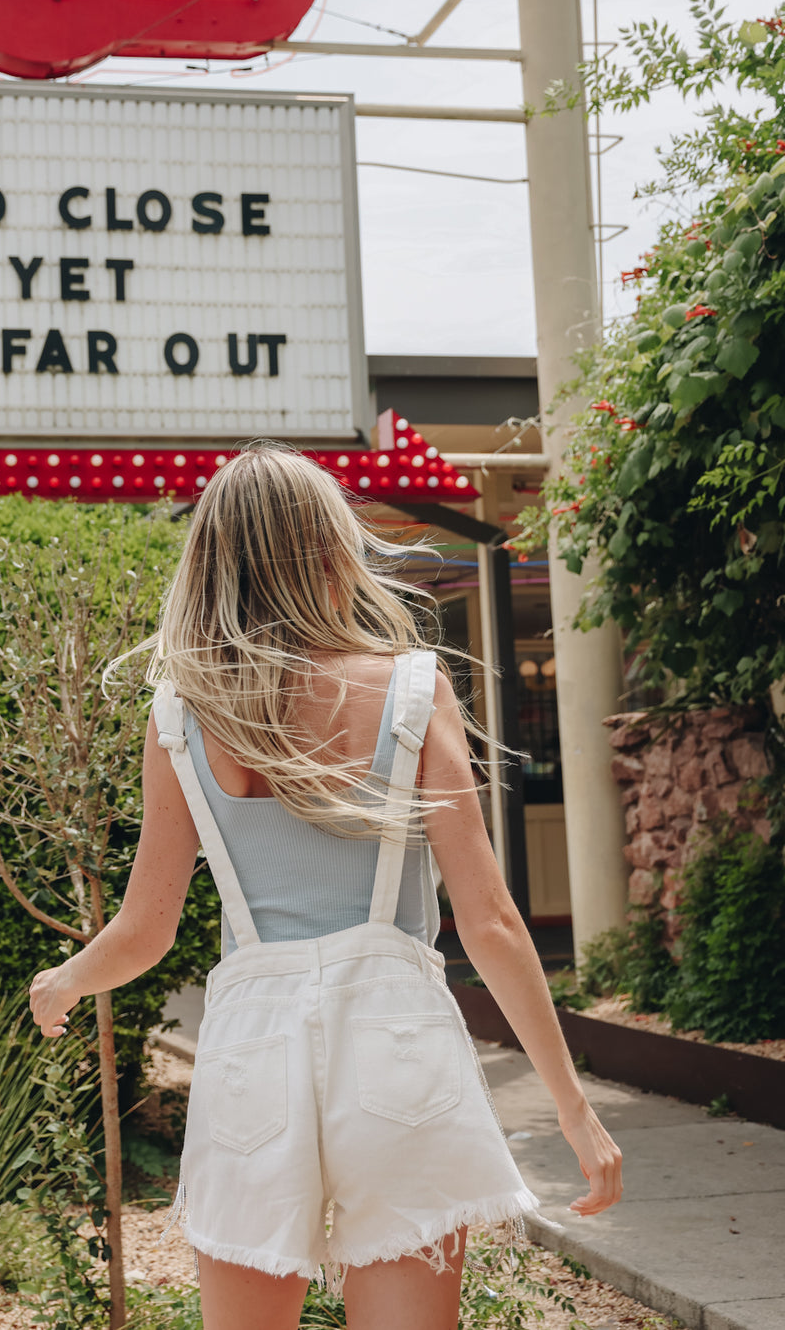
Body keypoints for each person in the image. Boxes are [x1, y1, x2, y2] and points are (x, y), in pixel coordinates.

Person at [30, 446, 622, 1330]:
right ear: (327, 550)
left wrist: (65, 979)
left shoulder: (180, 716)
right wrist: (574, 1111)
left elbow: (145, 930)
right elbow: (490, 922)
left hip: (251, 1055)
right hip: (399, 1041)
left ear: (213, 561)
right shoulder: (414, 689)